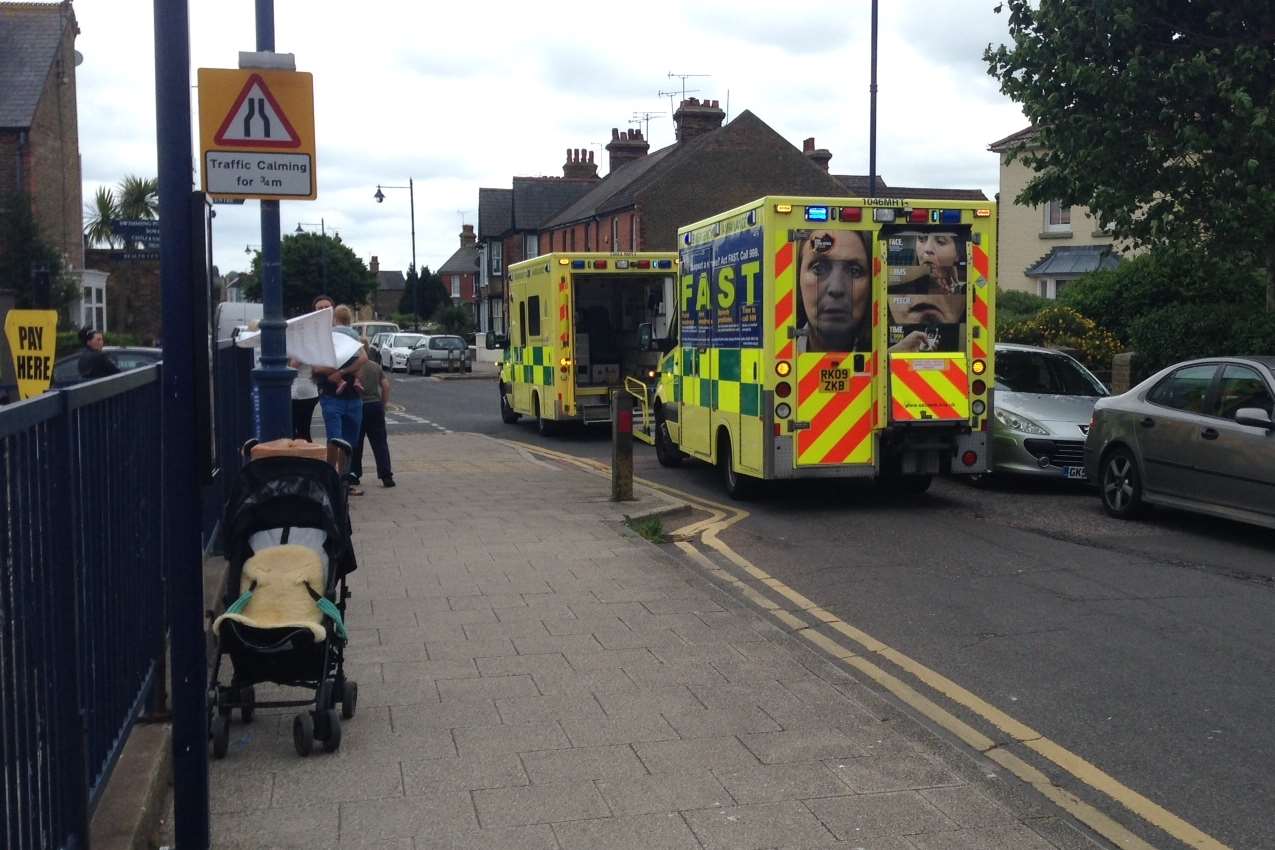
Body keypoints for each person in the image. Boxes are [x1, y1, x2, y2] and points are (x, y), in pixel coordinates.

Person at [312, 305, 367, 490]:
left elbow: (364, 358)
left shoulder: (339, 336)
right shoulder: (325, 337)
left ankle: (343, 480)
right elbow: (317, 368)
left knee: (350, 442)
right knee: (334, 439)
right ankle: (330, 479)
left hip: (353, 398)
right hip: (331, 397)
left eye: (327, 308)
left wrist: (339, 371)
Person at [351, 347, 395, 488]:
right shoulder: (375, 366)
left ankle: (354, 474)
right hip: (375, 406)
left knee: (356, 443)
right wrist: (383, 404)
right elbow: (386, 386)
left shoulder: (351, 367)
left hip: (358, 406)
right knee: (380, 442)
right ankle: (386, 475)